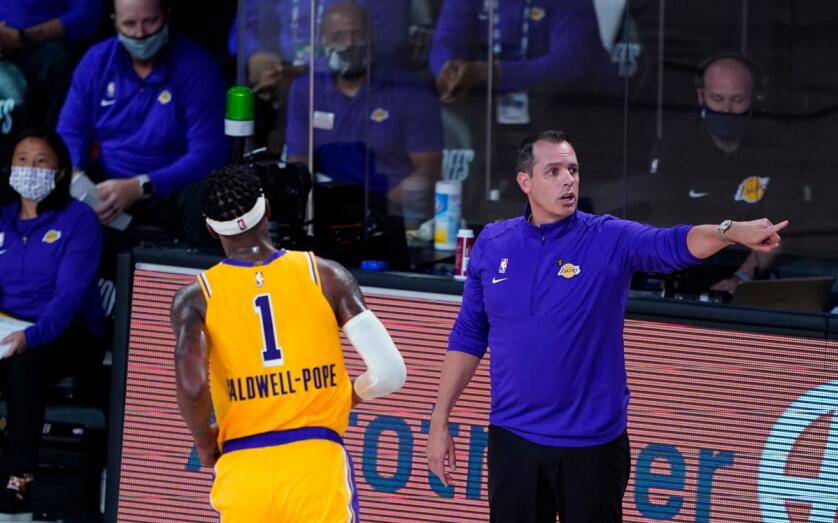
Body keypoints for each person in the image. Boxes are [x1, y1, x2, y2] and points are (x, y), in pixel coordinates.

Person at [426, 130, 786, 523]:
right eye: (553, 171)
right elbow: (468, 335)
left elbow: (673, 244)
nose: (568, 180)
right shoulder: (493, 242)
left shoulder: (607, 237)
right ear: (525, 181)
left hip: (592, 446)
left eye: (573, 170)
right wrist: (439, 421)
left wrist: (728, 232)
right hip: (512, 440)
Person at [172, 164, 406, 521]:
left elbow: (191, 387)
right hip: (315, 465)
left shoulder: (195, 298)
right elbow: (390, 373)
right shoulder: (325, 274)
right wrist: (349, 394)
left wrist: (204, 443)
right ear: (267, 208)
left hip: (242, 469)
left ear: (210, 228)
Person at [57, 0, 229, 246]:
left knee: (203, 198)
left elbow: (208, 155)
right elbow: (71, 132)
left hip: (172, 188)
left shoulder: (198, 68)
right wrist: (74, 175)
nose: (140, 34)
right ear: (115, 22)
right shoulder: (97, 61)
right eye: (129, 24)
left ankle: (195, 270)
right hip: (108, 185)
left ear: (167, 15)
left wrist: (142, 186)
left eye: (150, 21)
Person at [0, 128, 104, 516]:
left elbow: (69, 297)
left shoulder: (79, 220)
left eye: (41, 161)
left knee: (23, 366)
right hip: (8, 325)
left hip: (69, 331)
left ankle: (20, 480)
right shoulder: (3, 218)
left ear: (60, 172)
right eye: (22, 160)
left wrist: (31, 336)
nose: (30, 169)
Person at [647, 53, 812, 293]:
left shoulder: (778, 147)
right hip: (685, 277)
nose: (727, 109)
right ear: (701, 96)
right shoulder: (674, 148)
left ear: (753, 97)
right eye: (717, 99)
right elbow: (664, 230)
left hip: (754, 282)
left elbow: (781, 229)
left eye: (737, 99)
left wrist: (741, 279)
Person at [285, 2, 442, 231]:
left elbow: (428, 172)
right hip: (325, 216)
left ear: (373, 36)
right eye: (338, 37)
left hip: (392, 215)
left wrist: (377, 209)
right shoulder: (305, 88)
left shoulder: (410, 90)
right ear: (322, 42)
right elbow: (299, 164)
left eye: (358, 34)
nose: (349, 44)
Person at [0, 0, 103, 128]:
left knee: (59, 61)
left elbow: (87, 17)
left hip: (46, 50)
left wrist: (23, 37)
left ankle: (50, 137)